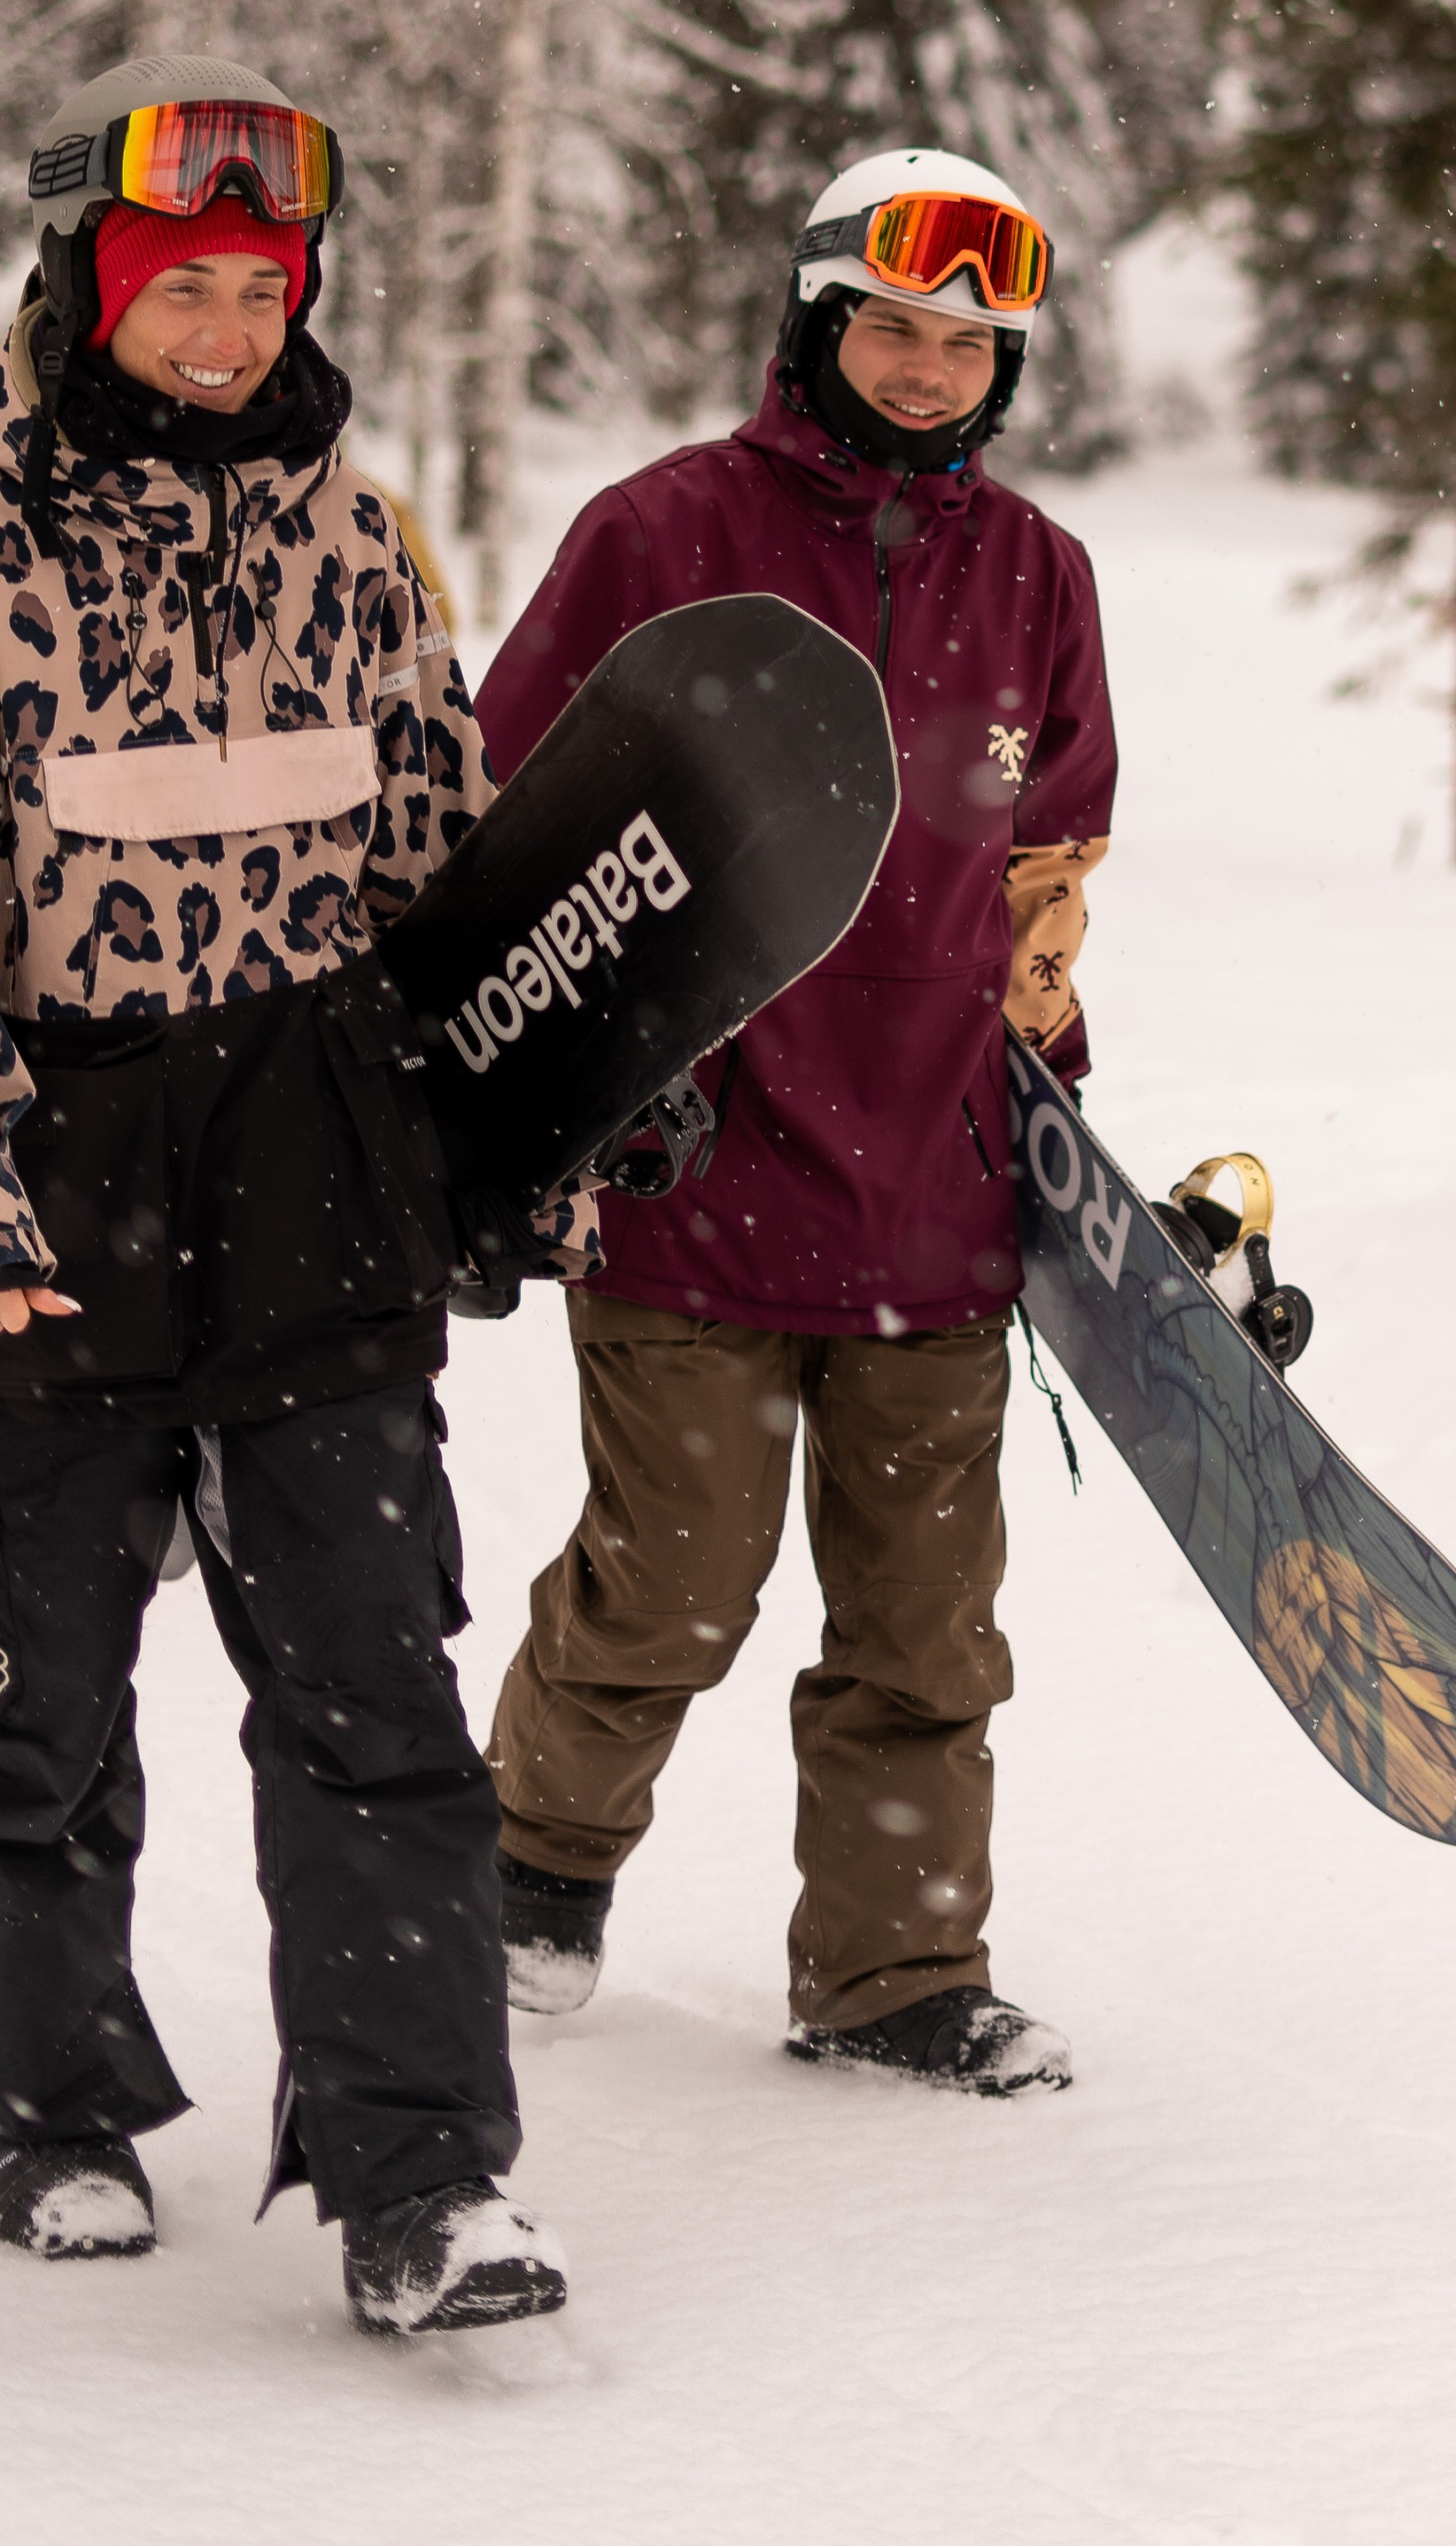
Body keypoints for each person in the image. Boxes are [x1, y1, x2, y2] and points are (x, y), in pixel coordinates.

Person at [0, 53, 579, 2333]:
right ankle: (45, 2108)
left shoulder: (356, 542)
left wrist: (507, 1146)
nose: (230, 331)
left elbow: (440, 866)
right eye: (185, 288)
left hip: (318, 1196)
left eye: (264, 286)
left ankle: (419, 2173)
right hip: (54, 1207)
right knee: (42, 1707)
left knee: (378, 1688)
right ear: (92, 288)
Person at [477, 146, 1116, 2094]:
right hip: (690, 1177)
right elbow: (510, 814)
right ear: (813, 322)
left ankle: (894, 1973)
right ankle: (520, 1867)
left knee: (925, 1632)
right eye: (894, 330)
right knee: (669, 1578)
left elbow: (1048, 877)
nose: (928, 372)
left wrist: (1057, 1135)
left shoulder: (1037, 574)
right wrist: (538, 1109)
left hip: (934, 1194)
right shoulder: (662, 529)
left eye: (966, 343)